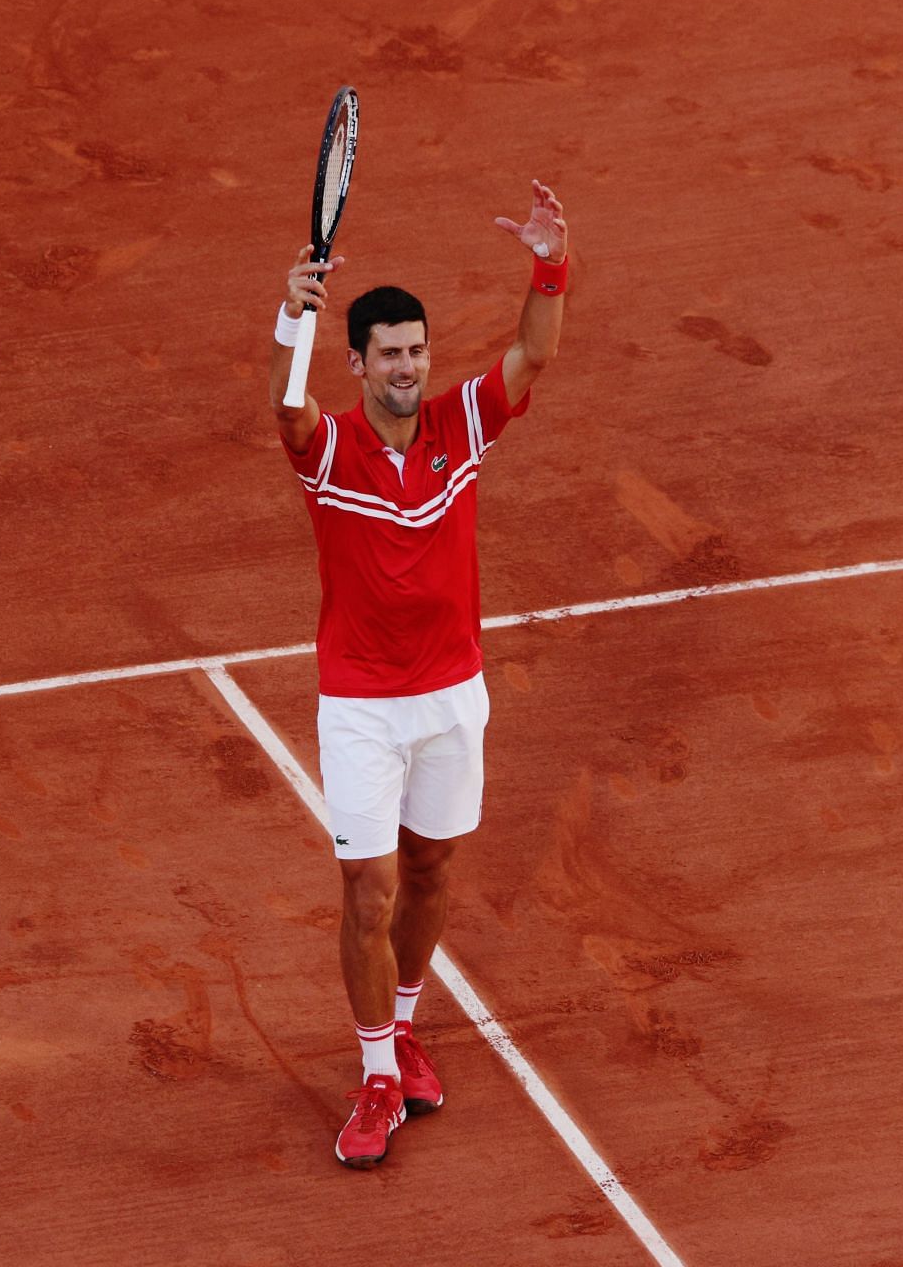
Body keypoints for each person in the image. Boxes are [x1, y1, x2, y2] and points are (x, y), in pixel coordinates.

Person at [265, 180, 570, 1168]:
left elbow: (534, 352)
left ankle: (402, 1021)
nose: (408, 366)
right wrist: (291, 314)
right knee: (367, 889)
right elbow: (285, 398)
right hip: (360, 705)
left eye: (416, 350)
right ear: (358, 363)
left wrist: (550, 263)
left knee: (432, 869)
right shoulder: (328, 451)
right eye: (389, 354)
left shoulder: (462, 425)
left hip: (450, 697)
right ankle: (375, 1076)